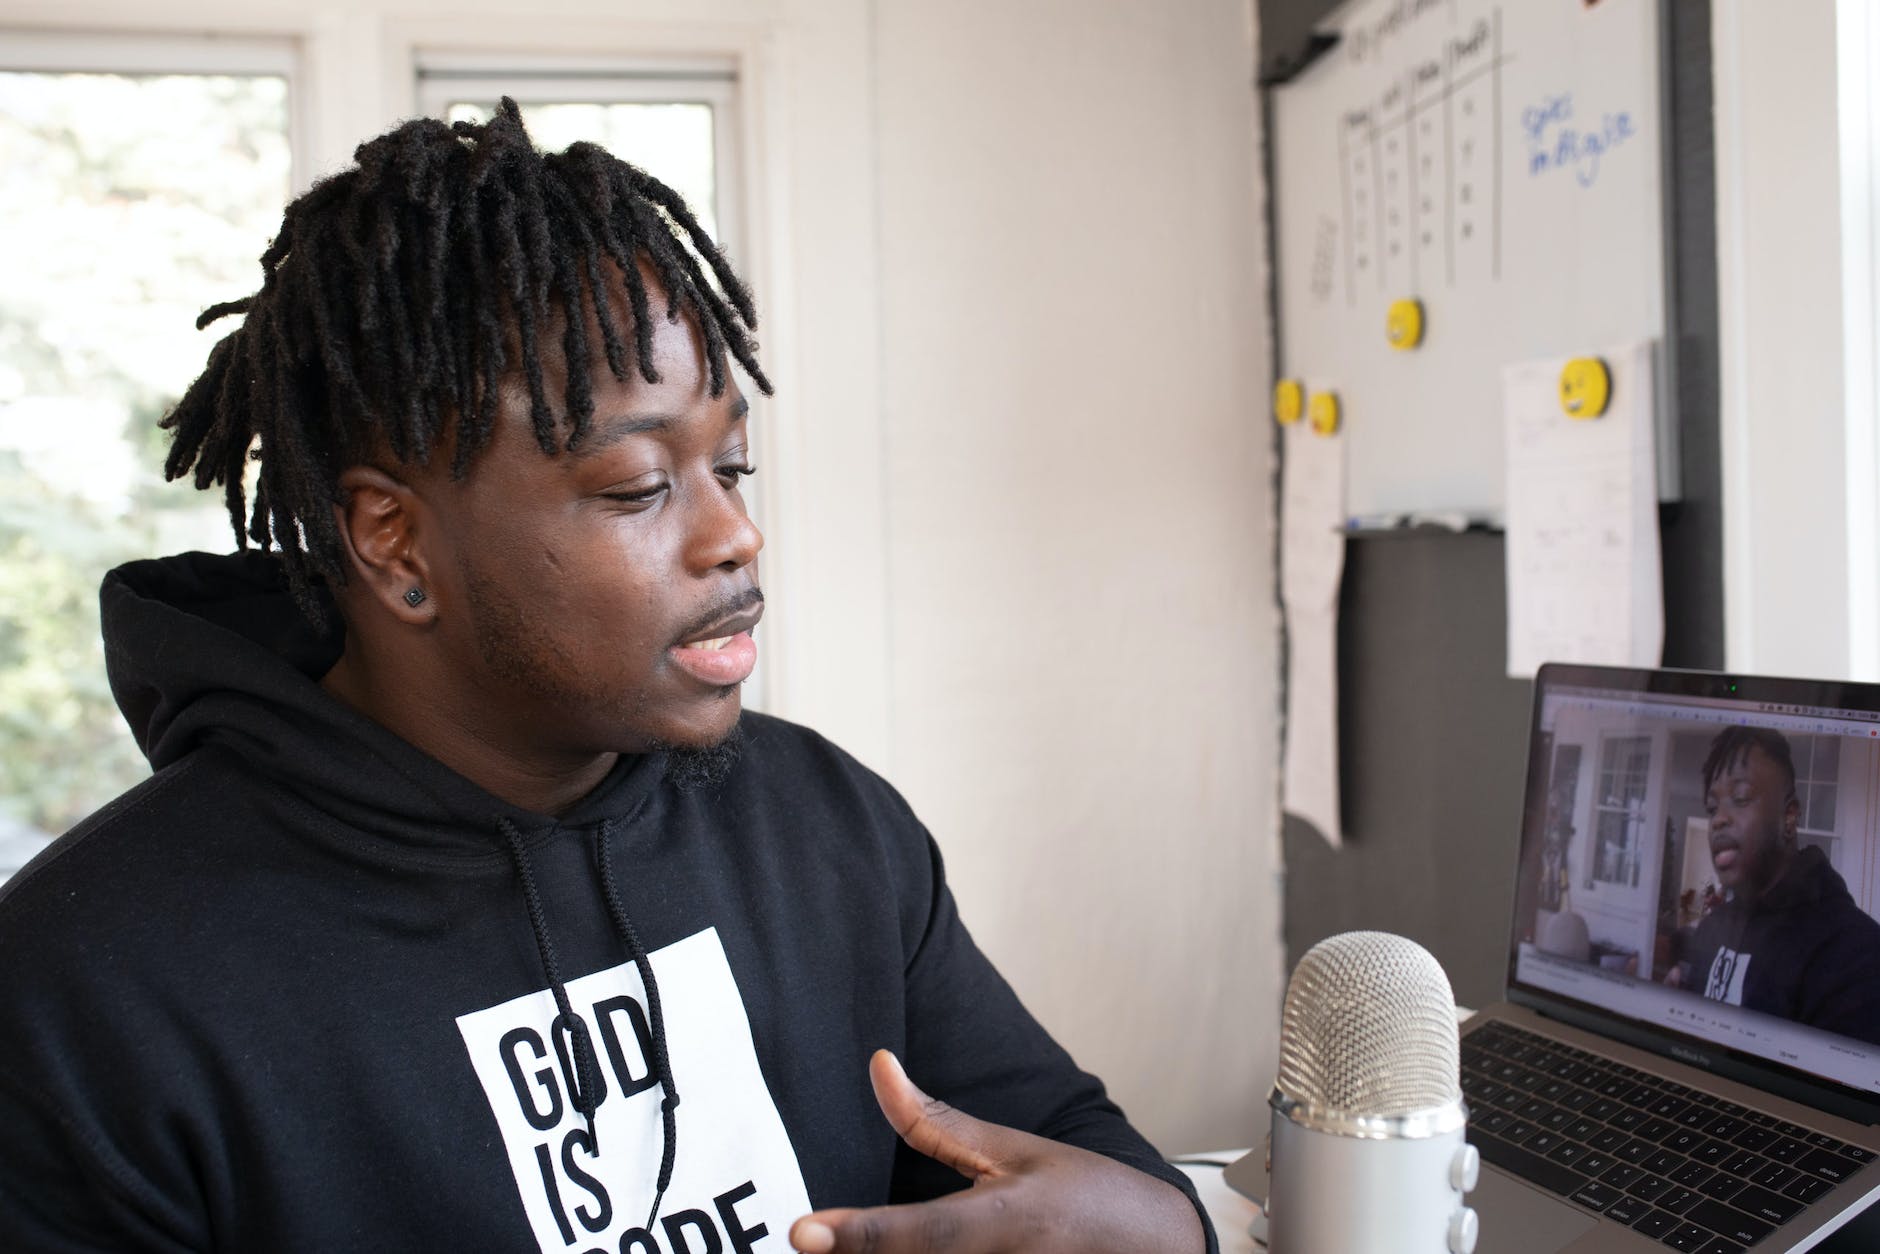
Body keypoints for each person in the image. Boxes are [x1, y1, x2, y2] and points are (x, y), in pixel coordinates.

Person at [0, 102, 1212, 1253]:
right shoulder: (94, 982)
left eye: (730, 466)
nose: (731, 535)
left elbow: (1076, 1172)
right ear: (395, 542)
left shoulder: (825, 828)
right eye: (638, 488)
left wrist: (1172, 1224)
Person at [1663, 726, 1880, 1046]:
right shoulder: (1712, 928)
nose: (1718, 820)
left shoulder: (1856, 952)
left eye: (1740, 798)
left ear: (1789, 817)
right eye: (1712, 808)